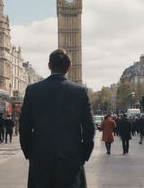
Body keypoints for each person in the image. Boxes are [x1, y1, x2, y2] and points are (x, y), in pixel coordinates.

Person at [19, 49, 95, 188]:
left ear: (49, 65)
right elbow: (89, 128)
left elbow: (24, 126)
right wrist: (83, 154)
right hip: (72, 157)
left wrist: (30, 152)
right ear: (70, 66)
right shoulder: (80, 91)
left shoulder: (33, 90)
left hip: (40, 157)